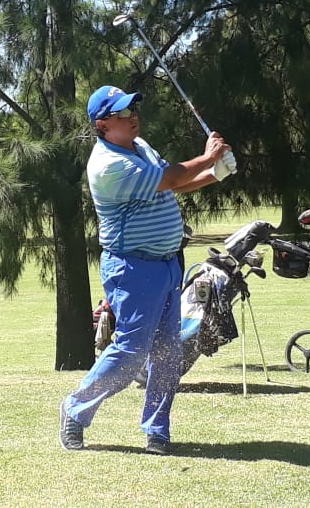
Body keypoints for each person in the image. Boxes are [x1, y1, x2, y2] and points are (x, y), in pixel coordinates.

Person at [60, 85, 237, 455]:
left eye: (133, 109)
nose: (133, 117)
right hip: (132, 267)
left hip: (167, 264)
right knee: (131, 351)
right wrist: (208, 157)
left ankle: (157, 429)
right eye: (123, 113)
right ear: (103, 124)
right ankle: (75, 409)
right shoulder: (108, 165)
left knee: (169, 351)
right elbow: (170, 178)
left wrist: (215, 173)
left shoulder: (140, 147)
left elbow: (173, 186)